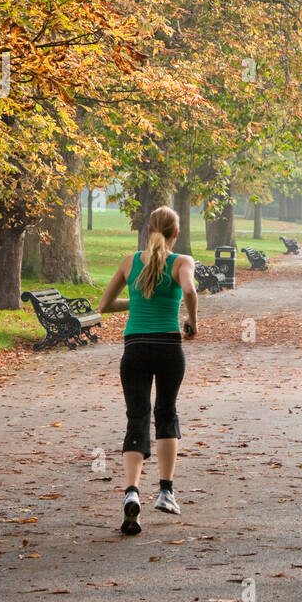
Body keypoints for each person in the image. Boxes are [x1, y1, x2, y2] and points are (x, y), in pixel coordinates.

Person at [98, 206, 198, 535]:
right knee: (166, 414)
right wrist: (192, 323)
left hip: (135, 348)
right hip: (169, 348)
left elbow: (105, 305)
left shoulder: (130, 262)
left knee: (136, 417)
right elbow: (189, 291)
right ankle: (166, 493)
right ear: (175, 233)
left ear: (148, 230)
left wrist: (139, 300)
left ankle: (131, 492)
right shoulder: (181, 261)